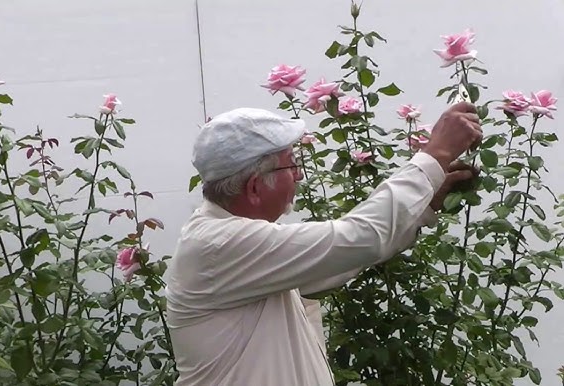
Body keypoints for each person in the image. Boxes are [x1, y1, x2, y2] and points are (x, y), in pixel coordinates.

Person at [164, 102, 482, 386]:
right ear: (255, 187)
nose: (300, 175)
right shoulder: (219, 245)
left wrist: (426, 205)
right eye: (291, 164)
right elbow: (358, 238)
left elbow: (342, 260)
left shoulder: (237, 246)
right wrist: (435, 153)